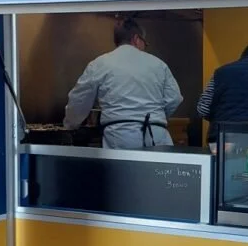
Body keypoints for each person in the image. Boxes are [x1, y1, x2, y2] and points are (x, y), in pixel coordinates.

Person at [64, 18, 183, 149]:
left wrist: (70, 125)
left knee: (124, 164)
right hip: (157, 134)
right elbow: (174, 98)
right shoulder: (159, 64)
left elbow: (80, 98)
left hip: (120, 135)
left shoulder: (100, 64)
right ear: (136, 39)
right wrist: (156, 115)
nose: (145, 47)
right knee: (158, 163)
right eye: (145, 43)